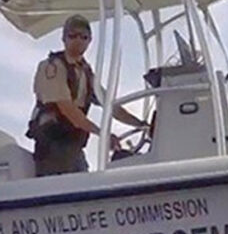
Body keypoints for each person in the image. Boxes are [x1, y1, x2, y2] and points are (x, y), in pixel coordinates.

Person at [26, 14, 147, 176]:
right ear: (64, 38)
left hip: (73, 146)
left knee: (84, 179)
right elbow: (67, 109)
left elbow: (110, 106)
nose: (78, 40)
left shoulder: (85, 72)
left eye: (84, 36)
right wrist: (102, 134)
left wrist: (141, 124)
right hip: (52, 146)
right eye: (72, 35)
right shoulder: (53, 67)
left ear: (90, 40)